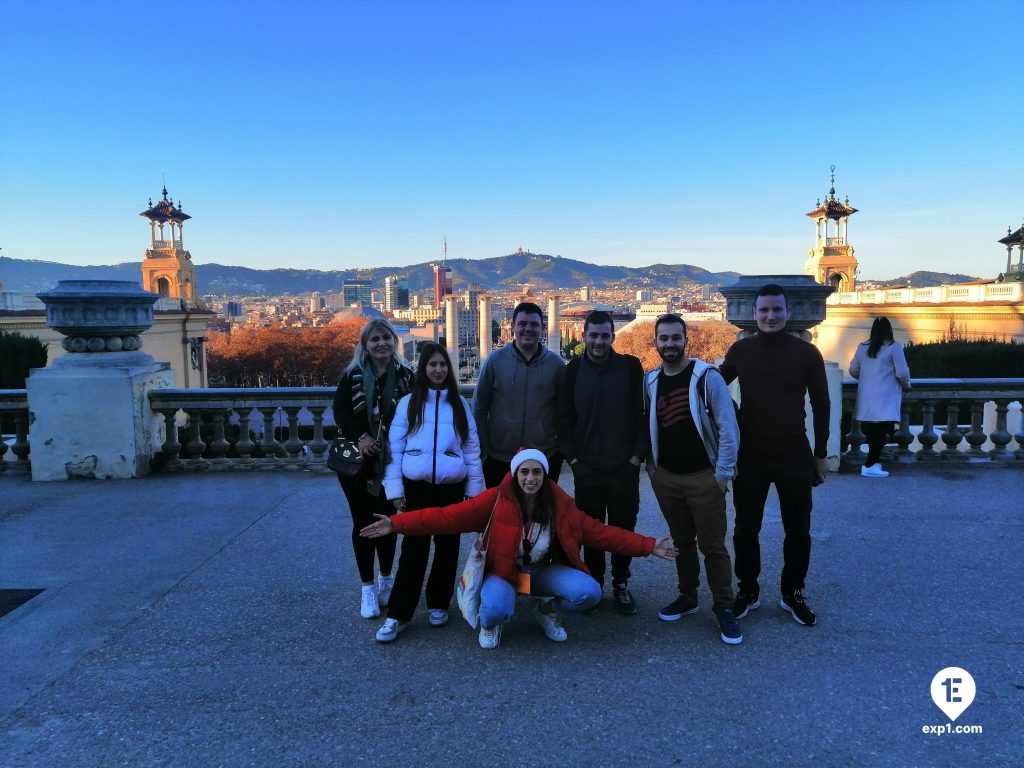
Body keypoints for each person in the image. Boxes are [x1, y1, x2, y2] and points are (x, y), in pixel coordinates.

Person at [361, 448, 678, 649]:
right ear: (514, 474)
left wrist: (649, 546)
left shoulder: (559, 504)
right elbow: (444, 517)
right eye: (524, 471)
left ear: (544, 475)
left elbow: (601, 533)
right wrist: (397, 524)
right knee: (496, 609)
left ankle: (545, 609)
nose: (530, 478)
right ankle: (492, 622)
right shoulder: (495, 500)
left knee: (589, 592)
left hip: (538, 574)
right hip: (504, 574)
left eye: (536, 471)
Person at [720, 284, 830, 627]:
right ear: (754, 314)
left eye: (776, 310)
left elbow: (822, 404)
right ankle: (748, 590)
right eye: (764, 310)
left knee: (799, 530)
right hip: (750, 453)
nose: (770, 315)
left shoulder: (807, 354)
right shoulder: (741, 352)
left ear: (788, 312)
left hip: (794, 452)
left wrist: (821, 453)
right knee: (745, 528)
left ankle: (793, 592)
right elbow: (713, 387)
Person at [374, 343, 486, 643]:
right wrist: (395, 490)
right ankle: (399, 614)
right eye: (432, 365)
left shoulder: (460, 405)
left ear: (448, 370)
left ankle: (438, 602)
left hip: (450, 487)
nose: (438, 370)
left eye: (442, 365)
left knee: (447, 549)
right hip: (417, 487)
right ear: (423, 369)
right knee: (413, 552)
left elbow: (471, 450)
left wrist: (474, 494)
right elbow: (394, 451)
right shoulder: (408, 404)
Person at [644, 314, 743, 644]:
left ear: (686, 340)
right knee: (682, 542)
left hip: (704, 476)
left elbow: (729, 429)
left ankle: (724, 607)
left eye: (675, 337)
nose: (669, 343)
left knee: (713, 546)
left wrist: (722, 476)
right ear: (655, 342)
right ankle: (688, 595)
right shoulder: (651, 381)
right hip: (667, 477)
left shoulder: (706, 377)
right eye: (664, 338)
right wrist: (653, 471)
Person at [558, 310, 648, 615]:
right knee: (591, 530)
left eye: (604, 335)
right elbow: (565, 421)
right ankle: (594, 582)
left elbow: (641, 416)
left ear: (613, 337)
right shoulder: (571, 372)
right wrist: (574, 460)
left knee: (624, 527)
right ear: (583, 337)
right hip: (587, 470)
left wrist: (637, 458)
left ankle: (621, 582)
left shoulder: (630, 367)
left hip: (624, 467)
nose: (598, 341)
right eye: (593, 335)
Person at [333, 318, 415, 620]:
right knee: (362, 523)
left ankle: (385, 578)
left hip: (393, 463)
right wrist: (362, 436)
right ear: (365, 345)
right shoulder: (352, 375)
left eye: (386, 338)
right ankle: (366, 587)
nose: (381, 344)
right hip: (357, 462)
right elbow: (341, 411)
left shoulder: (407, 377)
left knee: (388, 521)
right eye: (375, 339)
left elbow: (416, 415)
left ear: (394, 341)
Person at [473, 301, 565, 488]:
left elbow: (565, 411)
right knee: (502, 513)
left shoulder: (556, 364)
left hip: (543, 456)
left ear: (542, 328)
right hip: (499, 457)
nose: (528, 329)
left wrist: (560, 451)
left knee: (538, 513)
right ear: (513, 326)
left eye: (534, 324)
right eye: (522, 324)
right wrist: (483, 449)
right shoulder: (495, 360)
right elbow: (479, 406)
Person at [849, 317, 911, 478]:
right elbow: (902, 372)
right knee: (880, 433)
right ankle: (870, 465)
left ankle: (873, 463)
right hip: (885, 398)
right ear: (889, 330)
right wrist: (906, 385)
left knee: (872, 433)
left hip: (867, 397)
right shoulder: (894, 347)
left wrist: (867, 378)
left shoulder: (862, 347)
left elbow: (853, 369)